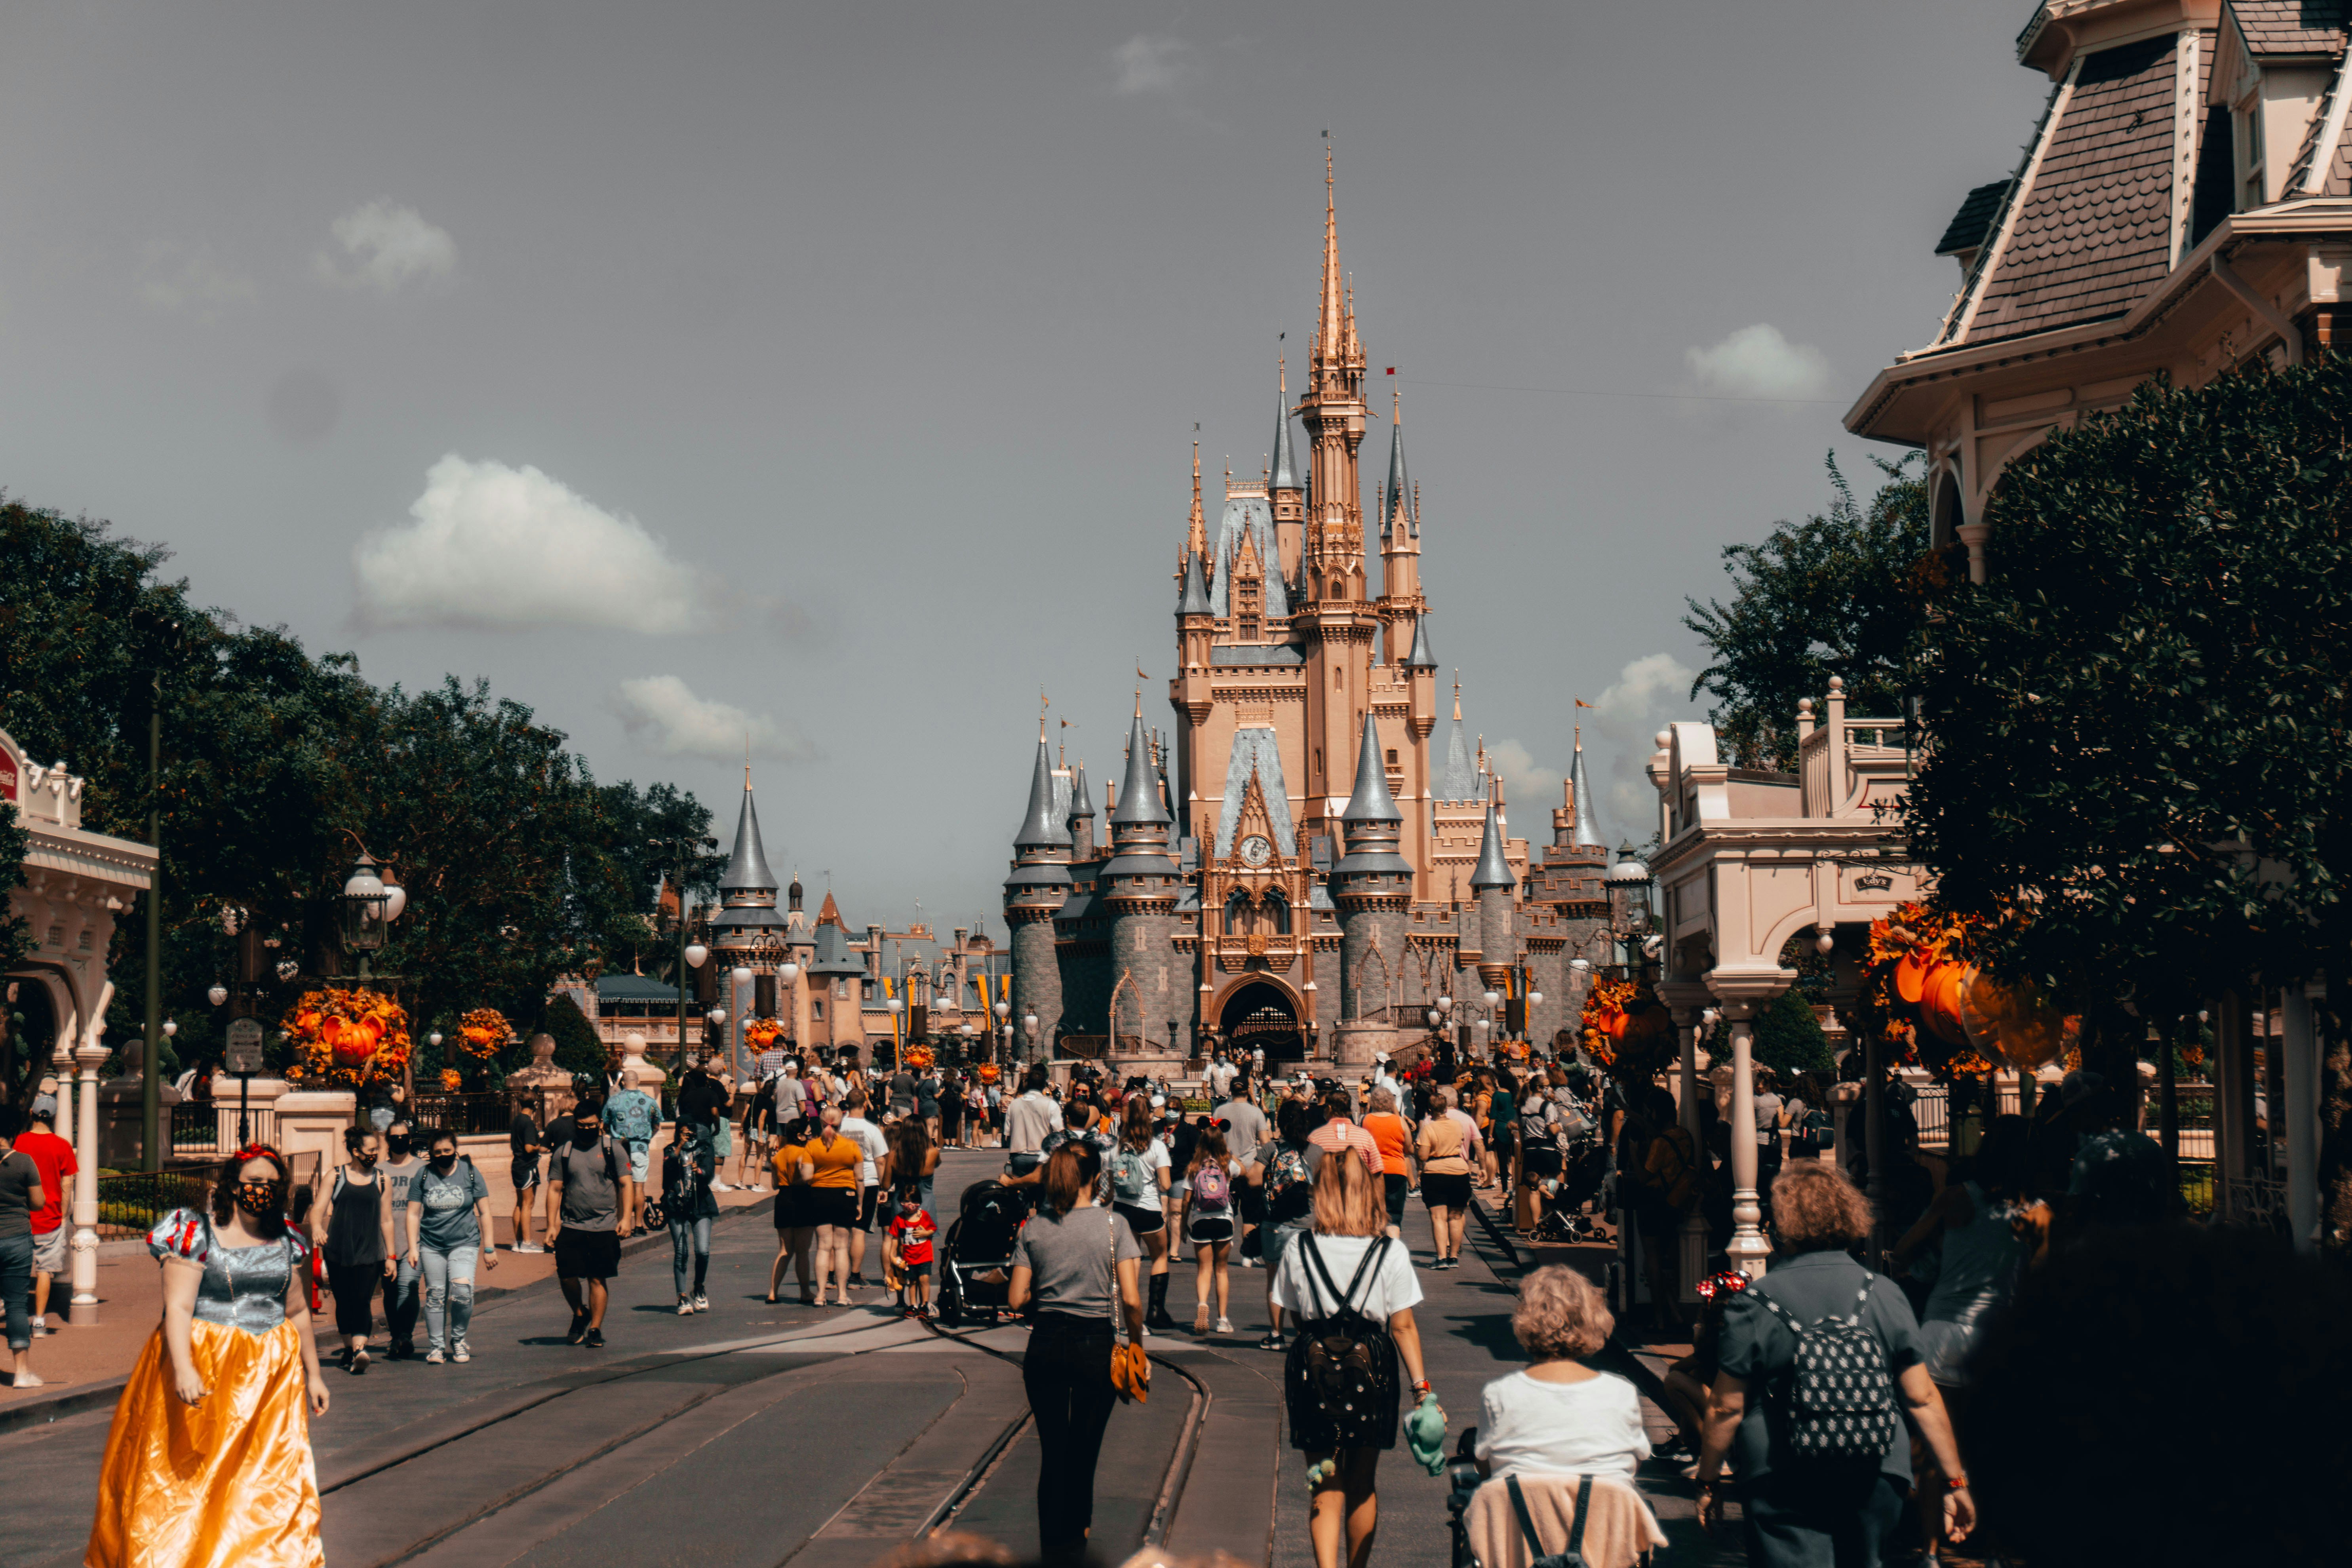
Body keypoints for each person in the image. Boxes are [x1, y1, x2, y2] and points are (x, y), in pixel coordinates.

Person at [1695, 1161, 1975, 1566]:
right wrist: (1955, 1481)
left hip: (1783, 1471)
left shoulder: (1754, 1302)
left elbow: (1726, 1406)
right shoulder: (1885, 1293)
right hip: (1875, 1468)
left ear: (1782, 1224)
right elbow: (1922, 1398)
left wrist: (1708, 1478)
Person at [85, 1146, 330, 1568]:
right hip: (208, 1361)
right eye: (255, 1182)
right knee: (191, 1471)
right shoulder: (195, 1232)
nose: (263, 1191)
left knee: (264, 1473)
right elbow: (178, 1307)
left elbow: (297, 1311)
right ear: (234, 1185)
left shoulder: (288, 1240)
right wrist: (183, 1367)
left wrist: (315, 1374)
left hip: (271, 1375)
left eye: (272, 1184)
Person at [1271, 1152, 1433, 1568]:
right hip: (1372, 1362)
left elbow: (1294, 1312)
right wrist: (1421, 1390)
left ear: (1319, 1191)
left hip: (1312, 1361)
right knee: (1362, 1482)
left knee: (1324, 1480)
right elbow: (1403, 1327)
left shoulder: (1298, 1247)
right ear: (1370, 1192)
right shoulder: (1390, 1251)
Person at [1890, 1115, 2026, 1568]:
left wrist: (1932, 1262)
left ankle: (1930, 1551)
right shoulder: (2034, 1211)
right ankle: (1994, 1550)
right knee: (1992, 1448)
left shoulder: (1954, 1199)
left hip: (1942, 1331)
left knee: (1934, 1450)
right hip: (1995, 1337)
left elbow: (1906, 1246)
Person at [1006, 1142, 1147, 1564]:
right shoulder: (1113, 1225)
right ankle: (1075, 1545)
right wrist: (1137, 1344)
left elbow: (1016, 1299)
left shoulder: (1034, 1227)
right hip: (1094, 1344)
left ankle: (1051, 1545)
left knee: (1053, 1449)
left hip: (1046, 1343)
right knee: (1084, 1451)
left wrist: (1044, 1287)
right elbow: (1134, 1300)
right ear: (1097, 1178)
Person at [1474, 1265, 1650, 1480]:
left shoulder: (1499, 1394)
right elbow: (1635, 1461)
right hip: (1602, 1511)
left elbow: (1486, 1466)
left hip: (1522, 1510)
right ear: (1593, 1319)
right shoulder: (1622, 1393)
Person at [405, 1128, 497, 1364]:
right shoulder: (423, 1175)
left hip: (464, 1241)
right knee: (436, 1295)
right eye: (438, 1152)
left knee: (462, 1292)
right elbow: (413, 1214)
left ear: (455, 1150)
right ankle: (436, 1347)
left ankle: (458, 1340)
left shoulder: (470, 1173)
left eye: (448, 1151)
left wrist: (489, 1248)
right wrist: (413, 1248)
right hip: (432, 1244)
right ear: (431, 1154)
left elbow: (485, 1212)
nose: (443, 1155)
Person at [547, 1100, 629, 1349]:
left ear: (600, 1124)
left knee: (597, 1278)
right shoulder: (564, 1152)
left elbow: (626, 1184)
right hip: (572, 1225)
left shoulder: (613, 1149)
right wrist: (552, 1225)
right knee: (567, 1276)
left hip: (604, 1226)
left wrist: (626, 1219)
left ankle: (595, 1328)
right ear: (575, 1125)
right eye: (582, 1126)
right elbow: (554, 1189)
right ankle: (579, 1313)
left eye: (592, 1125)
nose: (587, 1129)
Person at [313, 1128, 394, 1375]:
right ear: (356, 1152)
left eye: (377, 1150)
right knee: (345, 1302)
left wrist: (391, 1256)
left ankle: (360, 1351)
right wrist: (317, 1227)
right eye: (371, 1151)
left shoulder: (382, 1180)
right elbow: (318, 1209)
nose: (375, 1155)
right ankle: (349, 1348)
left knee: (363, 1300)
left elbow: (387, 1220)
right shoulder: (335, 1176)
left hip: (370, 1250)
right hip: (338, 1248)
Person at [1103, 1095, 1175, 1334]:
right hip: (1149, 1209)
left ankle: (1133, 1321)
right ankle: (1156, 1310)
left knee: (1131, 1263)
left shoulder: (1116, 1147)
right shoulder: (1157, 1147)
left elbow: (1111, 1188)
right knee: (1160, 1256)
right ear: (1150, 1116)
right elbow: (1165, 1185)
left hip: (1123, 1211)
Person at [1631, 1087, 1697, 1330]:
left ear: (1656, 1112)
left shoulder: (1660, 1143)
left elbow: (1644, 1176)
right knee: (1670, 1258)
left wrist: (1634, 1155)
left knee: (1653, 1261)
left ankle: (1659, 1317)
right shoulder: (1685, 1136)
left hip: (1653, 1202)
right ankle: (1675, 1311)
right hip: (1675, 1203)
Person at [15, 1104, 76, 1341]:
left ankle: (17, 1314)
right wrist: (63, 1214)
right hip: (50, 1217)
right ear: (54, 1117)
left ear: (32, 1114)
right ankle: (39, 1321)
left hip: (22, 1216)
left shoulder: (20, 1142)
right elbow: (68, 1183)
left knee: (16, 1270)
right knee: (44, 1271)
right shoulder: (62, 1146)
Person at [0, 1107, 50, 1386]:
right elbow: (38, 1203)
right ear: (11, 1134)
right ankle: (21, 1373)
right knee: (17, 1305)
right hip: (17, 1238)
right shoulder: (23, 1162)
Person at [800, 1106, 866, 1305]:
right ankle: (842, 1295)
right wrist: (860, 1204)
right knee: (841, 1248)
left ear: (821, 1123)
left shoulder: (812, 1147)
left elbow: (807, 1177)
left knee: (823, 1248)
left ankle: (820, 1295)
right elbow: (860, 1178)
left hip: (820, 1195)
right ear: (840, 1123)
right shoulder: (852, 1146)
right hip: (845, 1195)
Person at [1183, 1127, 1240, 1334]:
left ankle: (1202, 1305)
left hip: (1200, 1221)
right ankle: (1223, 1320)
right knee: (1222, 1270)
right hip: (1224, 1219)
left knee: (1204, 1269)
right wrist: (1229, 1155)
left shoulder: (1194, 1167)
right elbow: (1243, 1171)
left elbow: (1186, 1200)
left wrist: (1183, 1225)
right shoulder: (1227, 1165)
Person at [660, 1118, 719, 1314]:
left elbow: (709, 1174)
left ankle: (699, 1287)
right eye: (685, 1134)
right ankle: (682, 1296)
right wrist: (679, 1146)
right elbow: (668, 1171)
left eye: (692, 1134)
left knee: (703, 1251)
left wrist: (700, 1171)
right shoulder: (670, 1150)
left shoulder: (705, 1149)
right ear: (678, 1133)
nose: (689, 1138)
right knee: (681, 1252)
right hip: (676, 1205)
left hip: (701, 1204)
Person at [377, 1123, 425, 1359]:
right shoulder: (378, 1170)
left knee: (409, 1287)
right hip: (387, 1242)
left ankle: (406, 1334)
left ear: (410, 1139)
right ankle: (396, 1336)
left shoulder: (423, 1168)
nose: (399, 1140)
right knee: (391, 1291)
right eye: (394, 1137)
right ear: (388, 1140)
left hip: (415, 1242)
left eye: (403, 1137)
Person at [1414, 1087, 1475, 1269]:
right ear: (1446, 1109)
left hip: (1435, 1172)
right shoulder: (1457, 1125)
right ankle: (1454, 1257)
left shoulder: (1428, 1128)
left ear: (1430, 1111)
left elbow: (1424, 1156)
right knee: (1456, 1216)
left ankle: (1441, 1258)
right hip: (1459, 1171)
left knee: (1438, 1217)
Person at [839, 1090, 890, 1288]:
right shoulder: (872, 1129)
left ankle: (831, 1276)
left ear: (847, 1104)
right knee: (859, 1231)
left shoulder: (838, 1126)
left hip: (841, 1180)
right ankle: (854, 1275)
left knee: (839, 1230)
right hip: (867, 1181)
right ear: (865, 1105)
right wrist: (884, 1186)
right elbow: (881, 1161)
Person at [603, 1068, 660, 1229]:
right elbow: (656, 1125)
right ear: (639, 1081)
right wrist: (647, 1138)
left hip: (619, 1147)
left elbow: (606, 1124)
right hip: (640, 1147)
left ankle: (622, 1222)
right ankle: (639, 1225)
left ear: (623, 1083)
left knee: (621, 1186)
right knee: (639, 1187)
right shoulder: (649, 1101)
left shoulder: (613, 1101)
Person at [1360, 1087, 1414, 1239]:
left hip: (1372, 1173)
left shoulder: (1365, 1120)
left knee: (1375, 1214)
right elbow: (1409, 1149)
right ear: (1391, 1102)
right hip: (1396, 1171)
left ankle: (1375, 1250)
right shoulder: (1400, 1122)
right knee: (1394, 1217)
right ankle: (1392, 1251)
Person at [1307, 1088, 1382, 1178]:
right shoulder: (1365, 1136)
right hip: (1358, 1188)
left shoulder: (1315, 1137)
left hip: (1328, 1189)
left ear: (1329, 1109)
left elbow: (1310, 1171)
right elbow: (1377, 1170)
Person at [885, 1191, 937, 1318]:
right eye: (906, 1202)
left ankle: (924, 1305)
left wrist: (925, 1234)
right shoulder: (899, 1219)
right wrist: (892, 1256)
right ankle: (913, 1305)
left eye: (913, 1202)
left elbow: (932, 1229)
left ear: (919, 1203)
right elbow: (895, 1238)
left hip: (924, 1254)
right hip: (909, 1257)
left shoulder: (924, 1216)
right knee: (912, 1281)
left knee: (924, 1279)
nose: (910, 1205)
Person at [507, 1100, 545, 1253]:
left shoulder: (517, 1119)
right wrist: (540, 1147)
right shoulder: (528, 1122)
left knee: (520, 1203)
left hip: (517, 1164)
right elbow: (529, 1148)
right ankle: (527, 1242)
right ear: (535, 1104)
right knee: (528, 1204)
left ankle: (518, 1242)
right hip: (527, 1165)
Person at [1005, 1065, 1063, 1152]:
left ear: (1027, 1084)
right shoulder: (1051, 1105)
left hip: (1018, 1156)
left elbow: (1008, 1135)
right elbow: (1059, 1132)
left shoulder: (1014, 1104)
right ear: (1044, 1086)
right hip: (1042, 1154)